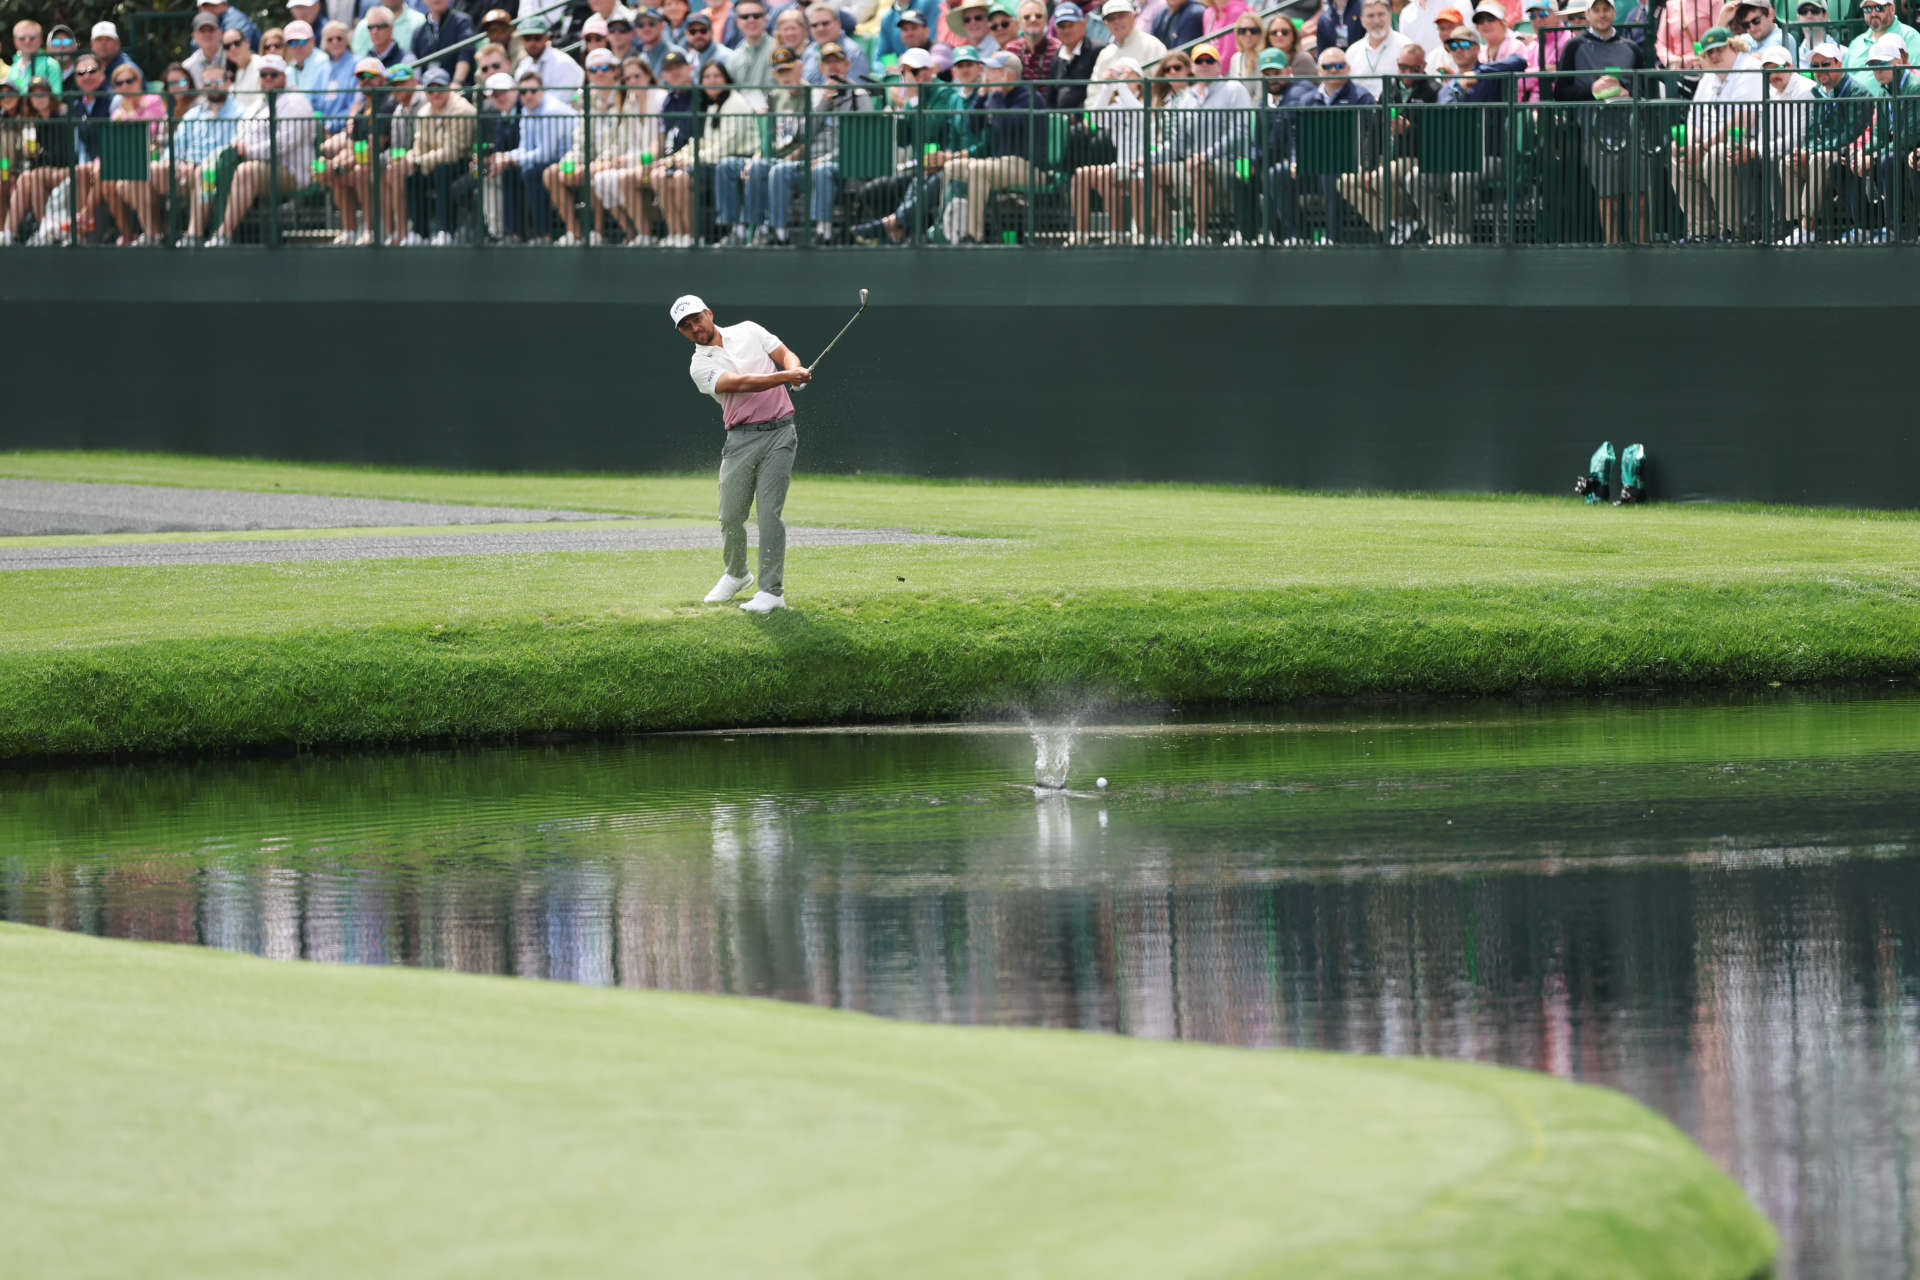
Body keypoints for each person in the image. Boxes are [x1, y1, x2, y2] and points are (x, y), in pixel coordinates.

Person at [674, 295, 810, 613]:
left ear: (709, 313)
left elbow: (784, 353)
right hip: (740, 439)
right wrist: (785, 377)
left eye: (696, 319)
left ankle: (772, 592)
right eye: (685, 326)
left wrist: (796, 370)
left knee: (768, 514)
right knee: (731, 516)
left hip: (780, 433)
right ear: (682, 333)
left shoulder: (749, 329)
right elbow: (742, 383)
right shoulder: (699, 365)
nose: (694, 327)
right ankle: (737, 574)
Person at [1414, 20, 1526, 241]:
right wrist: (1459, 86)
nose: (1458, 51)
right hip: (1453, 158)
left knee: (1462, 177)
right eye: (1452, 47)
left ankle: (1461, 234)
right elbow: (1442, 115)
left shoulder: (1490, 74)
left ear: (1477, 48)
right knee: (1414, 178)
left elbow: (1519, 61)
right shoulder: (1447, 88)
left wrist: (1480, 73)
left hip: (1490, 157)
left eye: (1464, 45)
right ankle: (1441, 234)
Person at [1554, 0, 1646, 244]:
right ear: (1587, 14)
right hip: (1594, 132)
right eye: (1597, 9)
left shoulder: (1632, 48)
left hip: (1633, 129)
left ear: (1614, 13)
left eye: (1606, 9)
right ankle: (1613, 251)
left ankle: (1642, 252)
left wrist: (1629, 92)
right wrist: (1592, 90)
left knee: (1639, 199)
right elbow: (1561, 92)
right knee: (1609, 199)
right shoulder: (1574, 46)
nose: (1602, 14)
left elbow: (1645, 89)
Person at [760, 41, 870, 243]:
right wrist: (824, 102)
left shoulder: (859, 95)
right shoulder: (815, 95)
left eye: (838, 62)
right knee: (780, 171)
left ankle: (823, 232)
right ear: (821, 68)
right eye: (828, 63)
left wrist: (827, 159)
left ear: (846, 66)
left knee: (822, 170)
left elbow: (862, 138)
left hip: (843, 165)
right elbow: (803, 133)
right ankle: (779, 233)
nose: (833, 67)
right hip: (809, 163)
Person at [202, 55, 316, 245]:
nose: (268, 79)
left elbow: (285, 142)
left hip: (293, 172)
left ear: (284, 77)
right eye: (264, 75)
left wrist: (249, 151)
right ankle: (198, 233)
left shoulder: (296, 102)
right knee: (211, 171)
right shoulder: (258, 103)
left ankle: (223, 234)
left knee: (247, 172)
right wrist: (238, 143)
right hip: (261, 166)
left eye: (273, 74)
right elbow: (241, 131)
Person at [1270, 45, 1377, 243]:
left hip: (1347, 166)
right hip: (1310, 166)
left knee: (1329, 169)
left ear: (1348, 68)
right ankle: (1298, 235)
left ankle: (1333, 236)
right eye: (1328, 67)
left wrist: (1365, 165)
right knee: (1277, 173)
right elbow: (1296, 135)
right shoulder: (1307, 100)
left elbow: (1369, 136)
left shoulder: (1361, 97)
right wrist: (1295, 159)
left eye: (1339, 65)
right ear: (1319, 72)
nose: (1334, 70)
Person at [1670, 26, 1762, 242]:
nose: (1714, 55)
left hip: (1747, 142)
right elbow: (1694, 120)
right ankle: (1702, 232)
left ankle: (1733, 230)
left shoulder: (1750, 68)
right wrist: (1686, 145)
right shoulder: (1708, 77)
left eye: (1719, 49)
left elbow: (1744, 120)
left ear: (1732, 45)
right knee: (1679, 160)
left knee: (1717, 155)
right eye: (1709, 52)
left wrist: (1701, 147)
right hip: (1709, 143)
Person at [1777, 40, 1868, 243]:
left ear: (1839, 64)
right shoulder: (1818, 92)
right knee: (1787, 162)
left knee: (1818, 159)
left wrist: (1813, 151)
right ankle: (1797, 227)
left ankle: (1806, 228)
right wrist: (1806, 149)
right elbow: (1811, 131)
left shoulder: (1857, 92)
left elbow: (1851, 133)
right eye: (1815, 67)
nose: (1820, 71)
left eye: (1825, 64)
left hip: (1846, 155)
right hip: (1823, 153)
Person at [546, 49, 626, 244]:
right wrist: (571, 163)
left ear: (615, 71)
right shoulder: (587, 100)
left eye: (605, 67)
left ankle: (596, 233)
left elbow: (622, 142)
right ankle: (575, 232)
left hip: (618, 159)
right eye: (593, 70)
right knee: (552, 173)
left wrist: (592, 165)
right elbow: (581, 139)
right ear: (588, 74)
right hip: (590, 160)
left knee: (593, 173)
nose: (599, 73)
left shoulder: (625, 97)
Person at [155, 63, 241, 245]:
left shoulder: (241, 113)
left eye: (217, 81)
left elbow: (233, 150)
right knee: (156, 169)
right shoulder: (193, 115)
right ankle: (158, 234)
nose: (213, 86)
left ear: (228, 83)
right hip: (186, 173)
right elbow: (173, 149)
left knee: (203, 172)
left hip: (217, 173)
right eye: (208, 83)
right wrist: (179, 163)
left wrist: (198, 165)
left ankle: (193, 234)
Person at [1067, 55, 1148, 242]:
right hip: (1120, 168)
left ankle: (1127, 232)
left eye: (1126, 74)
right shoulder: (1118, 105)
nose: (1122, 78)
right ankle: (1082, 234)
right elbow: (1095, 118)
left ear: (1138, 80)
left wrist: (1117, 83)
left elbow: (1136, 111)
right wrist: (1107, 87)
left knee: (1105, 177)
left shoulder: (1146, 103)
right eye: (1119, 74)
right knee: (1081, 175)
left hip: (1143, 168)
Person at [492, 71, 576, 240]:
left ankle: (543, 234)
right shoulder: (527, 111)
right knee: (511, 171)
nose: (528, 95)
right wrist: (505, 157)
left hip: (571, 160)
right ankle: (515, 233)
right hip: (550, 160)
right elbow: (526, 148)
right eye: (523, 92)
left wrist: (511, 159)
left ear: (543, 90)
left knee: (530, 173)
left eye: (533, 91)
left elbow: (546, 153)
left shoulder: (551, 110)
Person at [1851, 36, 1920, 239]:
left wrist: (1872, 157)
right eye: (1873, 66)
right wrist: (1862, 153)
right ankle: (1864, 227)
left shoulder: (1915, 87)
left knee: (1886, 160)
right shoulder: (1882, 91)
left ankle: (1894, 228)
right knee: (1853, 160)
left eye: (1881, 63)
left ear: (1897, 62)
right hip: (1896, 146)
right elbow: (1880, 135)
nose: (1877, 70)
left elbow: (1908, 137)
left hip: (1913, 145)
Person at [395, 64, 472, 242]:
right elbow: (419, 146)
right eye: (431, 90)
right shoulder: (424, 112)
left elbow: (452, 152)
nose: (436, 94)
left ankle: (445, 231)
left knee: (442, 171)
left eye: (440, 88)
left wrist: (417, 161)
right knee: (412, 176)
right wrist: (409, 160)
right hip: (434, 163)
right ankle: (419, 232)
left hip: (464, 163)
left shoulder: (462, 109)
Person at [690, 61, 765, 244]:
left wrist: (695, 158)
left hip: (743, 159)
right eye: (707, 77)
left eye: (716, 76)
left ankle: (735, 229)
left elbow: (728, 146)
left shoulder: (735, 102)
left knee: (698, 172)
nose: (712, 80)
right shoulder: (713, 105)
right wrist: (682, 157)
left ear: (726, 79)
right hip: (718, 159)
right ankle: (688, 235)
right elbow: (706, 142)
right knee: (679, 174)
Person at [102, 61, 165, 244]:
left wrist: (130, 114)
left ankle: (152, 233)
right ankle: (145, 232)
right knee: (120, 183)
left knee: (132, 180)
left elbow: (149, 132)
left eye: (130, 81)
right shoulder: (117, 114)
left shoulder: (153, 101)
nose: (125, 86)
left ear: (139, 81)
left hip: (155, 157)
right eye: (119, 83)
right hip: (130, 161)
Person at [1845, 0, 1920, 90]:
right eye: (1867, 9)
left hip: (1894, 102)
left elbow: (1914, 77)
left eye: (1879, 8)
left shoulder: (1910, 37)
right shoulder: (1856, 43)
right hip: (1855, 103)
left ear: (1892, 9)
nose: (1873, 14)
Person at [1344, 0, 1413, 94]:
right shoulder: (1352, 52)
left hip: (1393, 107)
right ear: (1362, 20)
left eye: (1381, 14)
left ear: (1390, 15)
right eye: (1370, 16)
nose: (1376, 21)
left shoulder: (1405, 47)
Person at [1093, 0, 1166, 77]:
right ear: (1106, 23)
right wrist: (1105, 83)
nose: (1116, 21)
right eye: (1110, 18)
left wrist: (1138, 84)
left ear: (1133, 17)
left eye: (1121, 16)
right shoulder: (1105, 53)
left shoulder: (1152, 45)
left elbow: (1163, 85)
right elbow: (1093, 87)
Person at [1047, 4, 1099, 108]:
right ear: (1056, 29)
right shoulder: (1057, 56)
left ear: (1083, 25)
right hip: (1061, 121)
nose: (1066, 30)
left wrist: (1080, 114)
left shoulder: (1096, 51)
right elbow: (1051, 95)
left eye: (1070, 25)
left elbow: (1098, 91)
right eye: (1062, 26)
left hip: (1087, 120)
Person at [415, 0, 478, 84]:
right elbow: (416, 65)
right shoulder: (419, 32)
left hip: (458, 89)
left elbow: (465, 55)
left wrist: (456, 83)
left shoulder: (463, 22)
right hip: (430, 90)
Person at [515, 17, 586, 89]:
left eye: (537, 37)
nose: (532, 43)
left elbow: (564, 97)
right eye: (527, 38)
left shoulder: (562, 62)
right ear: (522, 40)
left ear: (547, 38)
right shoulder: (524, 64)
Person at [803, 4, 870, 81]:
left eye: (825, 23)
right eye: (814, 25)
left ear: (838, 23)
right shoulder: (808, 52)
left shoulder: (853, 52)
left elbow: (859, 88)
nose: (820, 29)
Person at [1007, 0, 1059, 81]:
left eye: (1038, 16)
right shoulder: (1012, 49)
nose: (1033, 19)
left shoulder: (1057, 48)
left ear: (1046, 20)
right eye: (1027, 17)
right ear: (1019, 23)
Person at [727, 0, 776, 83]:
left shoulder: (778, 49)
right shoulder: (734, 58)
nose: (751, 20)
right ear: (737, 22)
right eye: (745, 17)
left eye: (756, 16)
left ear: (765, 19)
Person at [631, 7, 687, 76]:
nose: (646, 28)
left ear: (662, 25)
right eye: (640, 25)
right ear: (636, 30)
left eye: (651, 23)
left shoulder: (677, 53)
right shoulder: (641, 59)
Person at [9, 21, 61, 92]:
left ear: (40, 39)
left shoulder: (50, 64)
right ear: (15, 41)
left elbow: (56, 97)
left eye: (32, 38)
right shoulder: (13, 68)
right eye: (22, 38)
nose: (27, 41)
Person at [184, 14, 226, 87]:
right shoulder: (188, 67)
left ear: (220, 32)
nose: (207, 34)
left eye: (211, 29)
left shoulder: (233, 58)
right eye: (202, 31)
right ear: (194, 36)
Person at [1792, 0, 1833, 69]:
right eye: (1803, 11)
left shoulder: (1842, 53)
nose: (1809, 15)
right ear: (1798, 18)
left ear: (1825, 15)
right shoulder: (1794, 58)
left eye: (1815, 10)